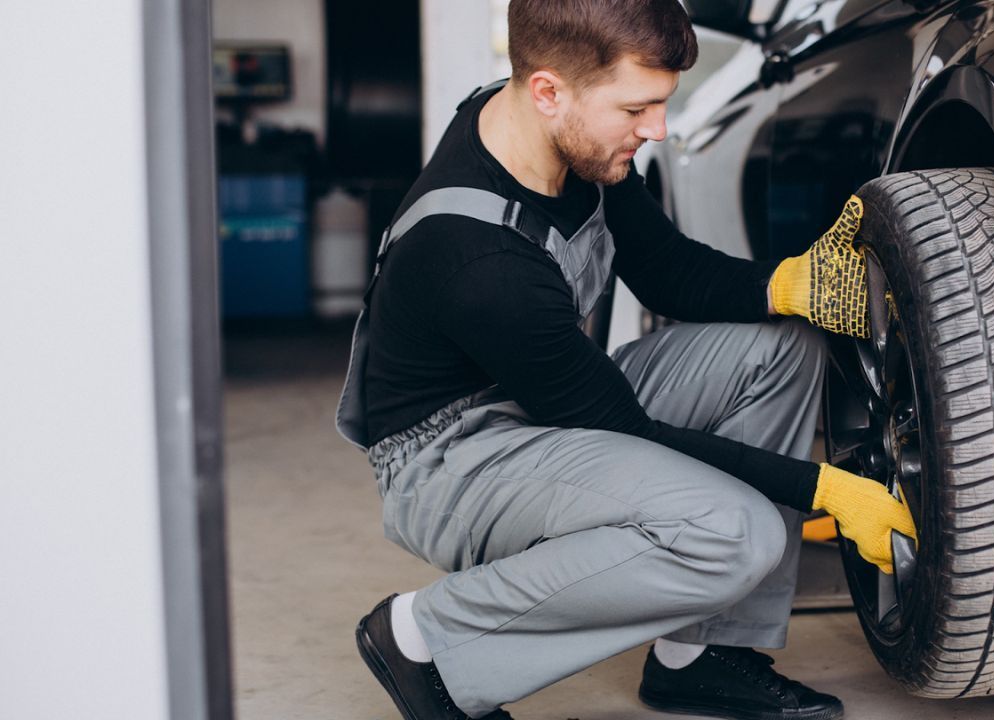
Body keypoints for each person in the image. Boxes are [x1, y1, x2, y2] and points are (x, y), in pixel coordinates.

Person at [334, 2, 916, 718]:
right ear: (549, 90)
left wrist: (783, 283)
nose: (657, 129)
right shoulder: (475, 257)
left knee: (781, 343)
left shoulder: (558, 137)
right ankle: (426, 640)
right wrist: (824, 489)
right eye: (638, 108)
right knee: (732, 531)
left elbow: (666, 270)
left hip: (546, 401)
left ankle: (700, 654)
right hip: (449, 460)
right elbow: (624, 427)